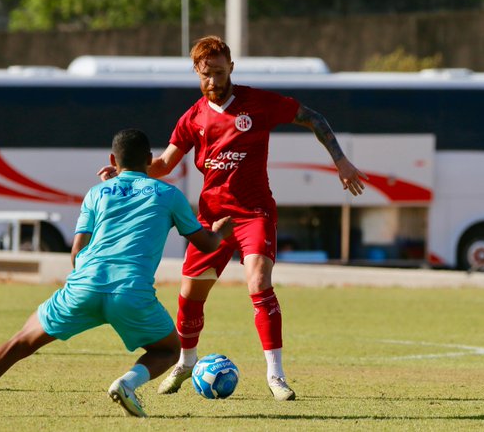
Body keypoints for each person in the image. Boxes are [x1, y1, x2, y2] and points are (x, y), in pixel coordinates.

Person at [99, 36, 368, 402]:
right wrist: (124, 173)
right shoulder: (192, 118)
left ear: (232, 69)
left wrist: (341, 161)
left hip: (254, 213)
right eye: (207, 74)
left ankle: (276, 375)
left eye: (221, 73)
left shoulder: (258, 103)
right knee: (190, 296)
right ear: (197, 71)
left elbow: (313, 118)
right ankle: (186, 362)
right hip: (211, 220)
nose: (214, 81)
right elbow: (162, 164)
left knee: (258, 281)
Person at [0, 128, 234, 418]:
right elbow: (205, 245)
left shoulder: (97, 193)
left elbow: (76, 253)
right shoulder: (169, 195)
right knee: (168, 349)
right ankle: (127, 383)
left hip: (83, 286)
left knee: (21, 341)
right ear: (150, 160)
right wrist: (219, 232)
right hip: (130, 292)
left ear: (113, 160)